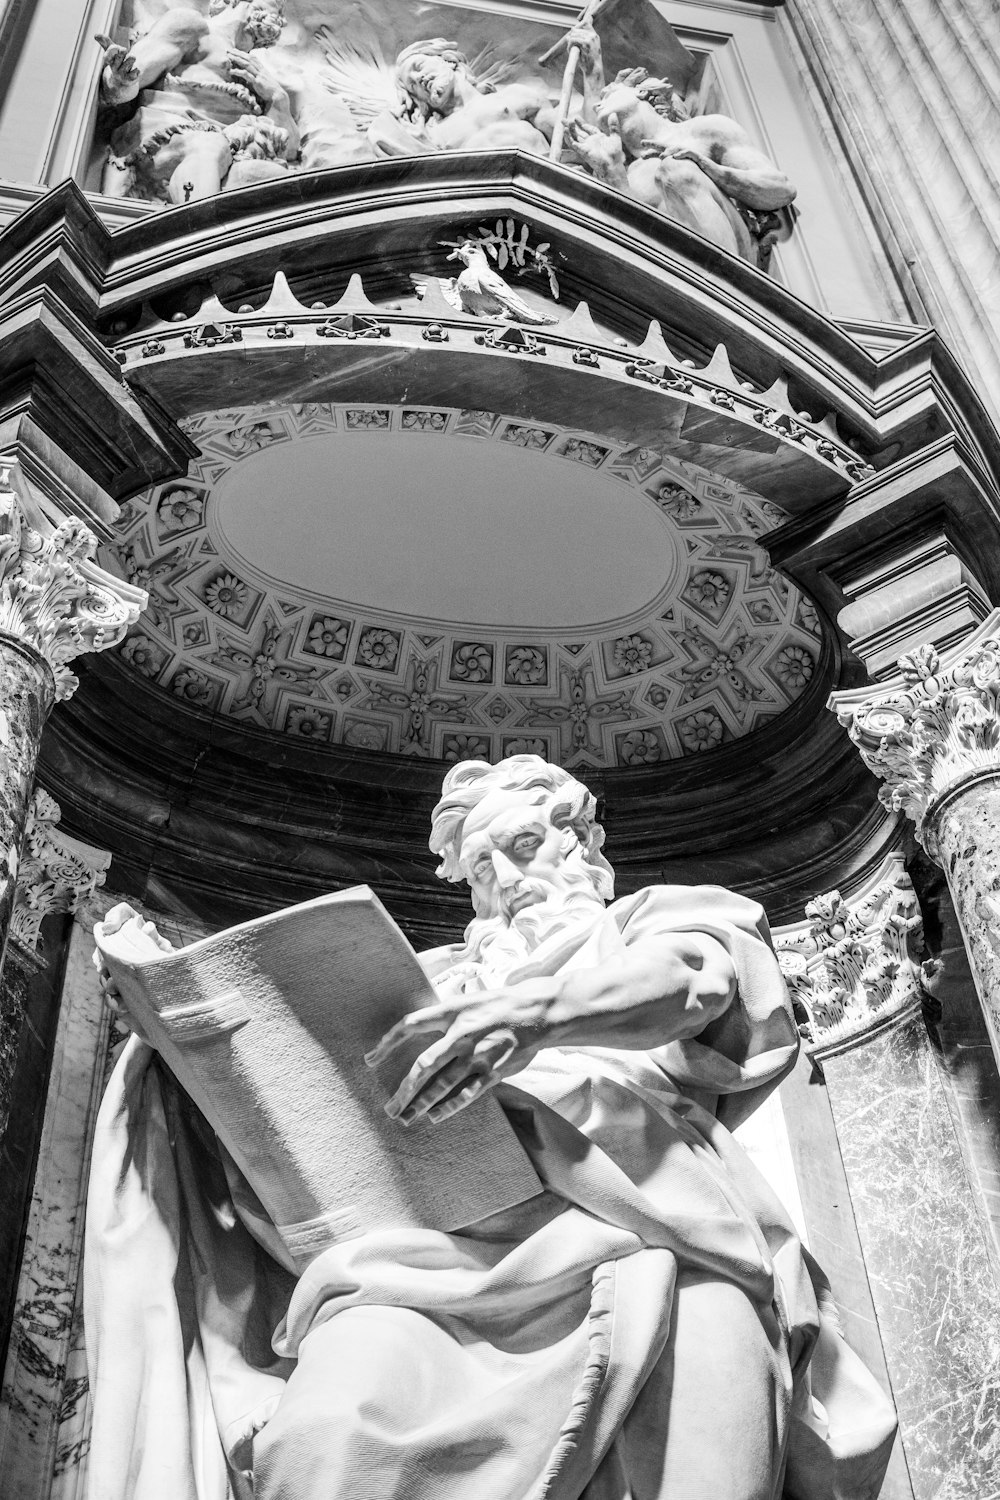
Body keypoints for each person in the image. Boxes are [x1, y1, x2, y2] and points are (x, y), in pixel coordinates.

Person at [85, 754, 895, 1500]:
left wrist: (532, 1018)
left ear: (585, 843)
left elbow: (693, 982)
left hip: (662, 1235)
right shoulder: (425, 988)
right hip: (423, 1263)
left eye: (524, 843)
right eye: (481, 867)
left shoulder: (651, 923)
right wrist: (171, 1029)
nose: (507, 879)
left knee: (711, 1436)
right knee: (325, 1432)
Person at [563, 38, 796, 260]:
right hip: (666, 266)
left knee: (676, 170)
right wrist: (612, 173)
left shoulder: (704, 130)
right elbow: (634, 235)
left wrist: (707, 167)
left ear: (642, 92)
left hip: (728, 259)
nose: (597, 102)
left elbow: (779, 189)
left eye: (609, 93)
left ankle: (722, 280)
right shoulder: (631, 172)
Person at [97, 0, 299, 203]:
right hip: (167, 136)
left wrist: (278, 98)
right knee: (209, 146)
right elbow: (133, 76)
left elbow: (288, 150)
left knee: (281, 181)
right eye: (273, 5)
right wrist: (119, 81)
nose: (278, 13)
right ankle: (194, 228)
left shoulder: (256, 73)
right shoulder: (193, 26)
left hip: (230, 154)